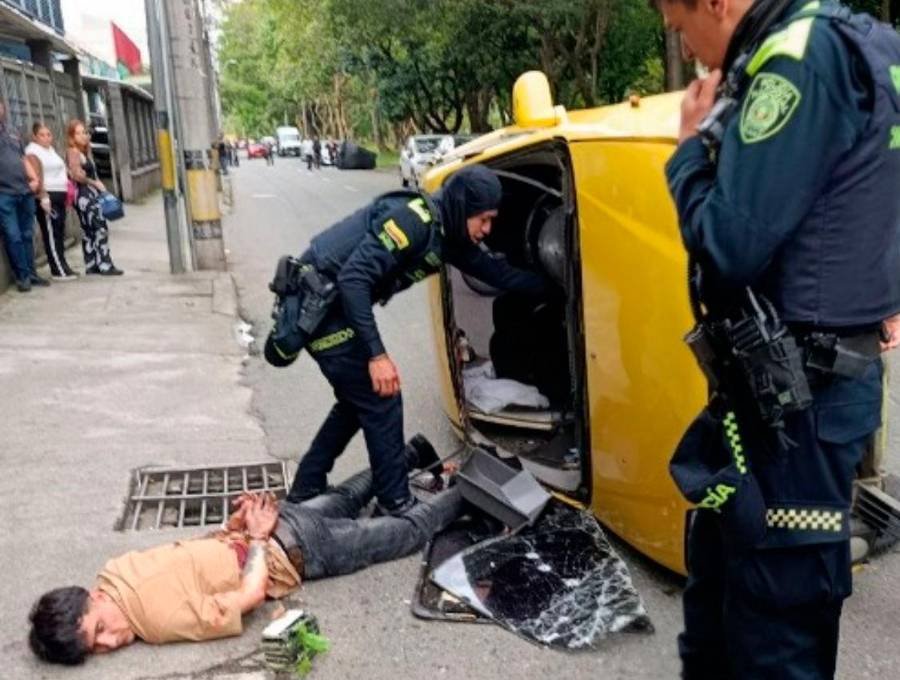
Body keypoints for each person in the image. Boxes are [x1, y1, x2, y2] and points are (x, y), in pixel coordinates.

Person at [654, 0, 900, 678]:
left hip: (793, 405)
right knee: (719, 597)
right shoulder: (871, 42)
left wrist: (685, 155)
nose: (687, 44)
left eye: (680, 22)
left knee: (774, 630)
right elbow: (864, 189)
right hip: (788, 391)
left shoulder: (797, 60)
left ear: (714, 2)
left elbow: (729, 244)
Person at [269, 165, 547, 515]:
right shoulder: (414, 221)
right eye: (484, 219)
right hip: (320, 310)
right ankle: (395, 502)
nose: (487, 230)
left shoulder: (450, 233)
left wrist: (558, 286)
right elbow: (354, 280)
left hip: (334, 307)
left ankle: (307, 487)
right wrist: (377, 355)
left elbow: (496, 273)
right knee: (381, 397)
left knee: (358, 400)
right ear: (464, 207)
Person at [27, 450, 461, 665]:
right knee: (346, 495)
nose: (110, 641)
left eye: (99, 628)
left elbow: (251, 595)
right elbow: (196, 556)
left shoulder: (155, 624)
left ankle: (471, 489)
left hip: (292, 549)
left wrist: (252, 535)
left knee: (407, 533)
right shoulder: (116, 570)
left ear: (94, 596)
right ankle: (416, 451)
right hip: (272, 523)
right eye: (96, 648)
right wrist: (237, 527)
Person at [0, 102, 49, 292]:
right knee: (13, 236)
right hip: (4, 195)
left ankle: (32, 274)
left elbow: (23, 159)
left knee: (28, 234)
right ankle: (22, 277)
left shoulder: (12, 132)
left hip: (25, 191)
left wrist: (35, 179)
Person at [66, 119, 123, 276]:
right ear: (71, 136)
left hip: (88, 194)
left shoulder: (84, 151)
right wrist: (95, 183)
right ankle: (104, 264)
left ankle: (92, 264)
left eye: (84, 132)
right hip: (85, 195)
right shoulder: (73, 152)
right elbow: (76, 175)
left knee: (89, 230)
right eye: (78, 133)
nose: (83, 136)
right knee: (99, 228)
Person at [25, 123, 78, 280]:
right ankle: (58, 270)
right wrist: (43, 196)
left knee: (59, 232)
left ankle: (63, 264)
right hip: (47, 196)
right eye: (42, 135)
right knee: (51, 233)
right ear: (35, 136)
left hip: (59, 194)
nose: (47, 138)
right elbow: (35, 175)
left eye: (49, 134)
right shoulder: (32, 152)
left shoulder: (51, 150)